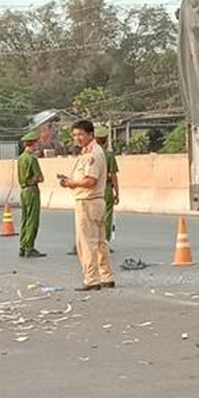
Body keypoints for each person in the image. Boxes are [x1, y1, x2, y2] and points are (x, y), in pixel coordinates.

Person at [59, 120, 114, 291]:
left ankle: (91, 279)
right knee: (99, 241)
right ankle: (106, 276)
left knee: (86, 242)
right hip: (95, 201)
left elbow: (90, 180)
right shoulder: (89, 152)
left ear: (91, 135)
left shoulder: (92, 154)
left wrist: (71, 183)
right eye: (75, 135)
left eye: (81, 134)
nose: (77, 138)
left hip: (88, 201)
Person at [16, 131, 46, 258]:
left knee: (24, 218)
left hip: (23, 190)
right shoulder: (32, 158)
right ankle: (29, 247)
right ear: (34, 143)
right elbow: (40, 177)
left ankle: (22, 246)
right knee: (32, 220)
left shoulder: (21, 158)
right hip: (32, 190)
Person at [95, 126, 119, 252]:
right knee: (107, 217)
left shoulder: (90, 154)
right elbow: (113, 175)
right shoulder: (109, 155)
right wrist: (117, 192)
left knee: (94, 217)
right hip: (106, 188)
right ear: (106, 140)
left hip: (93, 189)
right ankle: (104, 242)